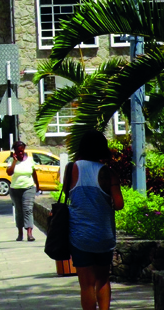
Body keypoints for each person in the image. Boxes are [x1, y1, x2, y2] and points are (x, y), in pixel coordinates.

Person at [69, 132, 124, 310]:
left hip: (79, 236)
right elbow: (119, 204)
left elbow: (69, 195)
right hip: (103, 235)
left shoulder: (72, 169)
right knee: (102, 279)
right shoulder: (109, 173)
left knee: (86, 285)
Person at [7, 140, 40, 242]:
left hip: (28, 188)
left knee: (28, 209)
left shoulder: (30, 160)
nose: (20, 153)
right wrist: (14, 161)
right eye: (18, 151)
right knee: (19, 211)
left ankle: (29, 233)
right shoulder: (11, 160)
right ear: (15, 151)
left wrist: (37, 185)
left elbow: (33, 173)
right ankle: (20, 233)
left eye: (22, 151)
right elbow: (9, 173)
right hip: (15, 189)